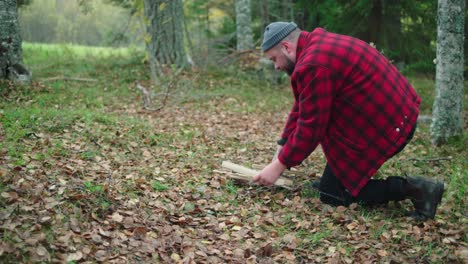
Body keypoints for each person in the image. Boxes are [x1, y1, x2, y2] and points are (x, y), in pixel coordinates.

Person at [252, 22, 444, 221]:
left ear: (286, 47)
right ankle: (340, 183)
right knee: (330, 184)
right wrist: (282, 146)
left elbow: (311, 127)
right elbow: (303, 105)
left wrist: (278, 166)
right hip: (393, 115)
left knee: (331, 195)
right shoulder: (316, 45)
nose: (276, 66)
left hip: (388, 126)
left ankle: (417, 189)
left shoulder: (313, 64)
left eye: (274, 59)